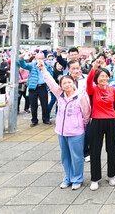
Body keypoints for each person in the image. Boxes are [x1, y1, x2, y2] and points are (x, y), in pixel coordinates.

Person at [39, 61, 90, 190]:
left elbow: (86, 114)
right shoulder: (60, 94)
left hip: (76, 132)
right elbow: (50, 81)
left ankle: (77, 178)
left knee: (77, 156)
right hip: (61, 132)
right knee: (65, 157)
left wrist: (81, 127)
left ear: (73, 83)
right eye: (64, 83)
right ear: (61, 85)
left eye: (69, 82)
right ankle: (68, 177)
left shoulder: (81, 97)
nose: (67, 85)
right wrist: (44, 69)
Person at [87, 59, 115, 191]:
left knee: (111, 149)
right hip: (96, 121)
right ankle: (95, 178)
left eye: (106, 76)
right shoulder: (93, 89)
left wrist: (113, 116)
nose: (104, 78)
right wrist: (94, 68)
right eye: (101, 76)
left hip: (111, 122)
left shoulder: (113, 90)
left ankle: (111, 175)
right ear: (97, 78)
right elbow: (88, 82)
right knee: (95, 150)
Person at [18, 52, 54, 126]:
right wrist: (21, 59)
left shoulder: (47, 66)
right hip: (33, 87)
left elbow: (51, 75)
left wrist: (50, 86)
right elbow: (24, 65)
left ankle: (46, 119)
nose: (40, 60)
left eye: (41, 58)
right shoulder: (32, 65)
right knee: (33, 105)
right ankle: (34, 120)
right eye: (39, 58)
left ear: (44, 59)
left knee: (44, 104)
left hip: (43, 87)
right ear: (35, 59)